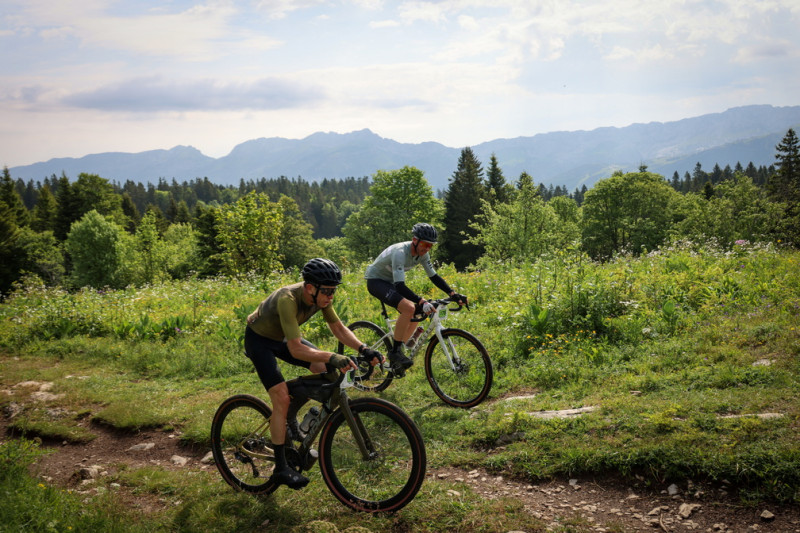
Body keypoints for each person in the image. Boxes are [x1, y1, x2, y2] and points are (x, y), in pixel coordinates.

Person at [245, 257, 383, 489]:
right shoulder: (287, 299)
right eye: (327, 291)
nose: (331, 296)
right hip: (259, 340)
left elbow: (338, 328)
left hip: (282, 338)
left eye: (334, 291)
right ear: (310, 288)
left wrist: (364, 348)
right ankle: (280, 468)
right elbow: (295, 349)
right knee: (280, 396)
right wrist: (333, 356)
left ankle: (290, 415)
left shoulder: (320, 298)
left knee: (323, 369)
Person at [364, 223, 467, 376]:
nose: (427, 249)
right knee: (410, 307)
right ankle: (395, 352)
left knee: (417, 311)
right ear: (414, 240)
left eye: (430, 246)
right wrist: (422, 300)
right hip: (376, 281)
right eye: (425, 244)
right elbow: (400, 286)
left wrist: (452, 293)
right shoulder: (400, 252)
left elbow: (434, 276)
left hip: (390, 283)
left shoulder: (423, 254)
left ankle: (400, 350)